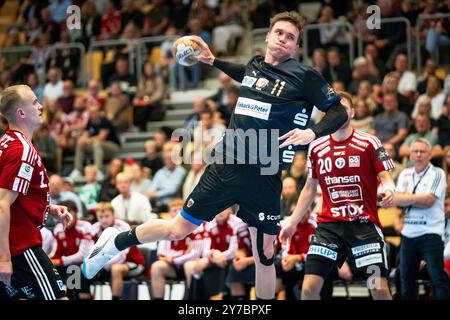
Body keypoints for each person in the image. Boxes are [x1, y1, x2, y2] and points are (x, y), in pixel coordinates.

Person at [83, 11, 348, 300]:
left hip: (265, 174)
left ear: (296, 46)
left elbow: (339, 111)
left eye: (291, 37)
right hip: (227, 165)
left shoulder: (304, 76)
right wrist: (212, 60)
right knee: (177, 229)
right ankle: (115, 242)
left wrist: (313, 132)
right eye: (280, 33)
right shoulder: (256, 66)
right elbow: (244, 73)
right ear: (269, 36)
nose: (284, 40)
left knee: (265, 255)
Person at [280, 91, 396, 300]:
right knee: (308, 289)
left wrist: (389, 189)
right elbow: (309, 188)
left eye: (343, 109)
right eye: (334, 110)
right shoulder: (316, 146)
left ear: (351, 112)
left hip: (363, 226)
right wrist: (292, 222)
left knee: (377, 288)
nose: (339, 113)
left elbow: (386, 177)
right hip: (328, 228)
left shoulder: (370, 142)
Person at [0, 85, 71, 300]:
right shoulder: (22, 150)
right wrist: (4, 258)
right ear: (21, 113)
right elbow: (2, 204)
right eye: (33, 102)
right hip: (19, 245)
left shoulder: (6, 143)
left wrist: (46, 208)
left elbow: (15, 196)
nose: (40, 106)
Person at [394, 138, 450, 300]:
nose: (418, 155)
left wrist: (406, 198)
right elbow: (396, 200)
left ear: (430, 155)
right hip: (408, 234)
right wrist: (415, 199)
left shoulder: (437, 173)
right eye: (415, 151)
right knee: (405, 280)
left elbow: (429, 201)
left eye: (422, 152)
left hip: (430, 233)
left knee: (437, 279)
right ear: (410, 155)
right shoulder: (405, 173)